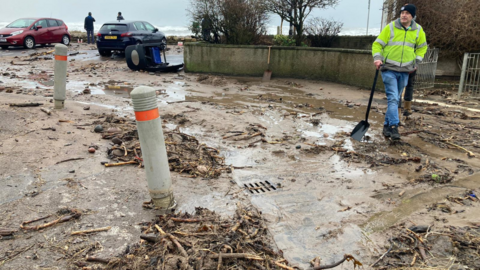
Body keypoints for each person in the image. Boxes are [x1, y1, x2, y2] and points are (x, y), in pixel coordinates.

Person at [372, 4, 427, 140]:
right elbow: (377, 44)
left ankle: (386, 125)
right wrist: (377, 58)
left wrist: (416, 62)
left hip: (405, 71)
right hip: (389, 68)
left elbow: (422, 48)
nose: (404, 15)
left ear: (412, 16)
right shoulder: (391, 27)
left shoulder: (418, 30)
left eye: (407, 13)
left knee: (396, 98)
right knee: (393, 98)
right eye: (402, 12)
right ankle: (394, 126)